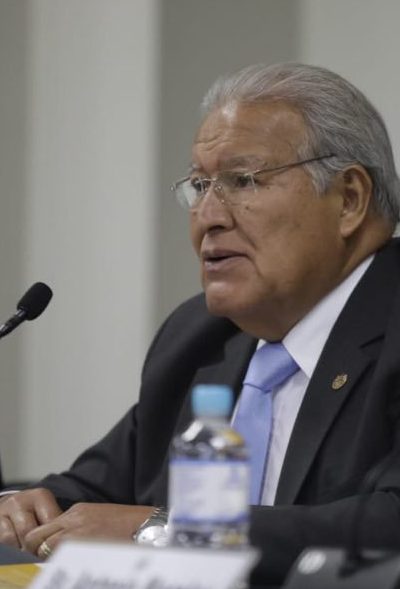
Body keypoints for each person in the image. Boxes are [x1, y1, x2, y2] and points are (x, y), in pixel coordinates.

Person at [1, 61, 400, 586]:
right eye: (198, 185)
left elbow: (388, 524)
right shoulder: (200, 338)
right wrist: (25, 510)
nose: (208, 216)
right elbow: (93, 494)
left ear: (348, 199)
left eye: (243, 181)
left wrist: (166, 532)